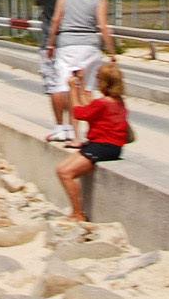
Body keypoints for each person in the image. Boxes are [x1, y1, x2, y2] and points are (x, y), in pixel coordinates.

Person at [47, 0, 118, 143]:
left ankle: (74, 136)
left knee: (68, 89)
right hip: (89, 45)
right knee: (87, 92)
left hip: (67, 43)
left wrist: (51, 44)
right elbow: (103, 27)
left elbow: (56, 20)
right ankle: (95, 132)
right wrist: (111, 51)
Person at [55, 60, 131, 221]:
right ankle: (76, 212)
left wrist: (72, 90)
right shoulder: (117, 101)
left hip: (103, 147)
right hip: (106, 145)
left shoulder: (103, 104)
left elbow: (79, 113)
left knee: (65, 173)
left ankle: (77, 213)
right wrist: (80, 85)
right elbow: (90, 107)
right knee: (61, 168)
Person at [35, 0, 83, 142]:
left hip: (51, 41)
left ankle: (59, 127)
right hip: (74, 40)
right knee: (72, 86)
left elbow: (38, 1)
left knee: (55, 86)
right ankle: (73, 128)